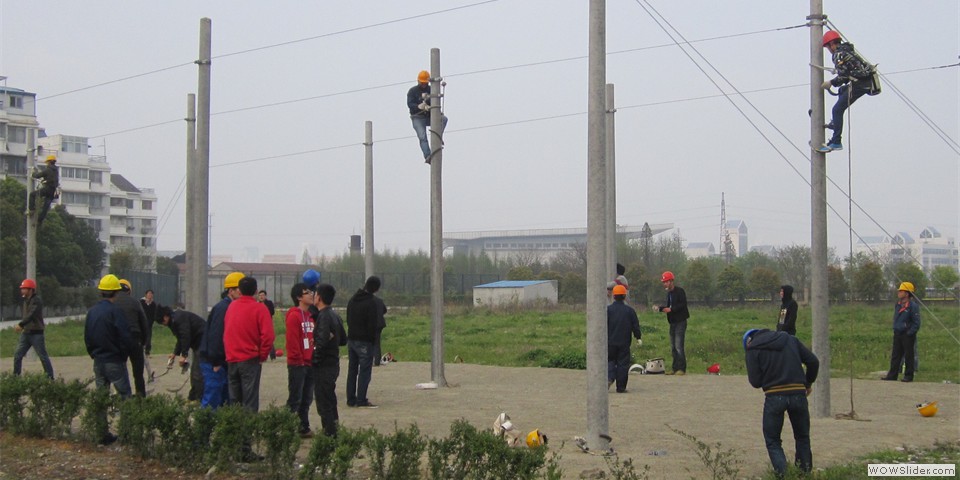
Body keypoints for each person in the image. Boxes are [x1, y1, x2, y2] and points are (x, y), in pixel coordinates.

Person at [743, 328, 819, 478]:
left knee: (772, 440)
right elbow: (813, 362)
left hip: (774, 396)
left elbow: (756, 382)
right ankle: (804, 473)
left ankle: (784, 474)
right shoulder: (791, 340)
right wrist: (808, 383)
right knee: (802, 436)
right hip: (798, 393)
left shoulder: (753, 349)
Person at [84, 274, 138, 445]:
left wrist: (94, 354)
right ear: (116, 292)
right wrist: (123, 355)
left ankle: (102, 434)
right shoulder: (116, 311)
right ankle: (127, 434)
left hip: (98, 361)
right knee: (125, 396)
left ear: (101, 292)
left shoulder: (92, 312)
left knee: (101, 398)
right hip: (114, 360)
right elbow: (125, 336)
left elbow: (87, 337)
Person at [817, 30, 877, 153]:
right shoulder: (847, 51)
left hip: (861, 84)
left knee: (837, 109)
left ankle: (836, 141)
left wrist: (831, 83)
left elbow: (843, 76)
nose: (829, 49)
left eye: (828, 47)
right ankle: (836, 123)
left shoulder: (839, 54)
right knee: (843, 90)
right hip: (863, 82)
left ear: (832, 44)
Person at [223, 276, 275, 412]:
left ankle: (235, 429)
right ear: (256, 291)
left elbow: (227, 330)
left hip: (232, 358)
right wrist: (262, 355)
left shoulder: (231, 307)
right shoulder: (260, 309)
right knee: (250, 399)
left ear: (239, 290)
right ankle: (248, 430)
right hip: (250, 358)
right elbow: (268, 335)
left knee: (235, 399)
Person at [198, 272, 244, 409]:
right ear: (231, 291)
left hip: (221, 360)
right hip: (213, 361)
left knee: (225, 398)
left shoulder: (230, 306)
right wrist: (216, 361)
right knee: (212, 397)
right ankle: (204, 427)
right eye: (241, 290)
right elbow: (216, 336)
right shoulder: (223, 308)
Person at [311, 283, 347, 437]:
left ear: (318, 297)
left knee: (324, 402)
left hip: (324, 366)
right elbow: (343, 339)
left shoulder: (324, 316)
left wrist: (315, 361)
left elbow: (321, 343)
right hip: (333, 363)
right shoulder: (334, 314)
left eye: (315, 294)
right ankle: (335, 431)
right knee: (330, 400)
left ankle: (330, 435)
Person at [345, 276, 381, 408]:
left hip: (352, 339)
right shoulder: (371, 302)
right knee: (365, 371)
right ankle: (361, 399)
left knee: (352, 369)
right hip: (365, 341)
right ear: (376, 288)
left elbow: (348, 318)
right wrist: (372, 340)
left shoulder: (353, 299)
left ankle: (351, 399)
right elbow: (372, 324)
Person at [285, 283, 316, 438]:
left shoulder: (311, 316)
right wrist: (299, 359)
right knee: (295, 397)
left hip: (310, 362)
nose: (310, 295)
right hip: (298, 364)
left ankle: (303, 426)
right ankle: (286, 425)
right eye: (306, 293)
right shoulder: (294, 315)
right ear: (298, 298)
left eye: (310, 292)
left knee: (307, 398)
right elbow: (292, 341)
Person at [159, 306, 206, 401]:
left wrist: (184, 355)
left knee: (197, 372)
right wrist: (175, 353)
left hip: (203, 342)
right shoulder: (173, 321)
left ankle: (199, 398)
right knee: (194, 371)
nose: (163, 324)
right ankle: (193, 396)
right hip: (197, 344)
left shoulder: (179, 318)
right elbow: (180, 338)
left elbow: (185, 336)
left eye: (162, 322)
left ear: (165, 317)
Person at [12, 278, 55, 379]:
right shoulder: (25, 300)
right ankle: (15, 378)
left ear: (31, 289)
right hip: (26, 333)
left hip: (36, 333)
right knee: (17, 356)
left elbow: (31, 314)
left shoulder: (36, 301)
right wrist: (23, 326)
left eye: (24, 289)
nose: (22, 290)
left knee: (43, 357)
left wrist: (21, 324)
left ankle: (50, 378)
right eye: (22, 289)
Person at [115, 279, 150, 397]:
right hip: (135, 340)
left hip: (119, 341)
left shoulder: (112, 302)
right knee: (138, 373)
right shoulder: (135, 302)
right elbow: (144, 323)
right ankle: (141, 397)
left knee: (120, 371)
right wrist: (144, 341)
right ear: (129, 291)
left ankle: (123, 397)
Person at [881, 282, 921, 383]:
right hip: (897, 333)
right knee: (895, 355)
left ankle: (908, 375)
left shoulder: (913, 306)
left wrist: (910, 332)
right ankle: (892, 375)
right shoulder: (898, 305)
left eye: (901, 291)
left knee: (908, 355)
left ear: (907, 293)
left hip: (907, 334)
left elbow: (916, 322)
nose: (899, 292)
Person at [407, 69, 448, 164]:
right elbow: (410, 104)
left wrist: (433, 108)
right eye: (422, 83)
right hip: (417, 117)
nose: (424, 85)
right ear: (418, 81)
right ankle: (428, 156)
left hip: (429, 116)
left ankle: (438, 137)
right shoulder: (413, 91)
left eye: (425, 83)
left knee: (444, 119)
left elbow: (435, 103)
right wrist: (418, 107)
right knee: (422, 136)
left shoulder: (431, 90)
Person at [607, 285, 641, 393]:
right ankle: (621, 387)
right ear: (624, 296)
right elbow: (635, 326)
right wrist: (638, 337)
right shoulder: (630, 311)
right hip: (624, 343)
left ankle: (609, 378)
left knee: (610, 361)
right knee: (623, 364)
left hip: (610, 342)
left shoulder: (608, 310)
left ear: (614, 296)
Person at [655, 271, 689, 375]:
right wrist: (660, 309)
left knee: (679, 346)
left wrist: (671, 310)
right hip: (672, 322)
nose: (664, 284)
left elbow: (682, 305)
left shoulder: (680, 291)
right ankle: (675, 368)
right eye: (663, 282)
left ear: (671, 281)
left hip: (680, 322)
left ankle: (682, 369)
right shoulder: (669, 294)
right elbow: (668, 307)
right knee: (673, 346)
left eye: (666, 282)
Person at [27, 154, 59, 227]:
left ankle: (31, 210)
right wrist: (45, 180)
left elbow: (37, 176)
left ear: (49, 162)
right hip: (53, 191)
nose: (46, 164)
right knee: (45, 207)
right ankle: (39, 221)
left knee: (32, 195)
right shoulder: (56, 171)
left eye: (47, 162)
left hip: (47, 189)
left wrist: (32, 173)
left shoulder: (48, 170)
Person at [258, 290, 278, 360]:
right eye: (260, 295)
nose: (261, 297)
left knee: (268, 338)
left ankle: (272, 355)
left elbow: (272, 312)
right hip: (259, 323)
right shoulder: (257, 304)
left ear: (265, 296)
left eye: (262, 295)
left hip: (268, 322)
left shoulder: (269, 303)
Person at [372, 295, 388, 366]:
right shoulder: (379, 300)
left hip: (370, 324)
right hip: (380, 323)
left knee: (369, 342)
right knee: (377, 342)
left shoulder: (367, 301)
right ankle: (377, 360)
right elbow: (385, 310)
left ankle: (370, 359)